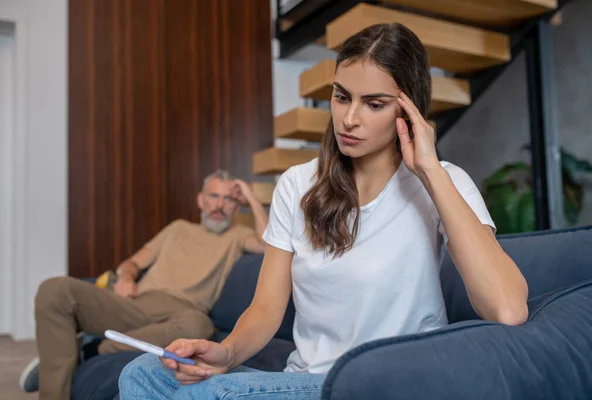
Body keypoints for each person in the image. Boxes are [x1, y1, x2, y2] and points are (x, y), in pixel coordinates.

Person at [119, 23, 529, 399]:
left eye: (374, 104)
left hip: (383, 383)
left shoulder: (445, 182)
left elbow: (507, 309)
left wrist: (430, 173)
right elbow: (265, 308)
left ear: (409, 112)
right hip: (304, 380)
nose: (349, 119)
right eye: (341, 96)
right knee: (140, 374)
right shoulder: (298, 184)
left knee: (205, 397)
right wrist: (225, 353)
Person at [20, 170, 269, 400]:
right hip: (136, 304)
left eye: (229, 200)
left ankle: (87, 349)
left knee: (199, 324)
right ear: (200, 200)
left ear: (237, 207)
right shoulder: (178, 229)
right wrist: (127, 278)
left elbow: (270, 244)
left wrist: (251, 198)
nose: (219, 205)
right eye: (213, 196)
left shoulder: (237, 237)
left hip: (181, 314)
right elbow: (132, 263)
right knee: (55, 289)